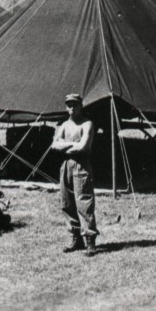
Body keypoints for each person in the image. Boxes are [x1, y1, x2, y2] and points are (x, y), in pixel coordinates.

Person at [51, 93, 98, 256]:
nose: (72, 108)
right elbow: (54, 146)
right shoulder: (63, 125)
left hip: (81, 164)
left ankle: (90, 240)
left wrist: (65, 144)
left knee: (84, 201)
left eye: (75, 105)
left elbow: (83, 147)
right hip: (66, 165)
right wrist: (72, 144)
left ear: (81, 106)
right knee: (67, 202)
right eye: (69, 105)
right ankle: (75, 238)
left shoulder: (87, 124)